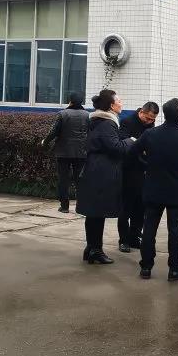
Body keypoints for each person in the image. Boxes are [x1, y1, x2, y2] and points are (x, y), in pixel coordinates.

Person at [134, 98, 178, 281]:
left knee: (149, 228)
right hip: (177, 189)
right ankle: (175, 270)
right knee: (175, 231)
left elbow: (132, 152)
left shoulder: (150, 134)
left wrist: (147, 165)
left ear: (164, 114)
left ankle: (146, 267)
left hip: (153, 187)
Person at [76, 89, 135, 264]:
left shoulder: (98, 120)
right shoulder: (107, 123)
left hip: (95, 169)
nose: (121, 103)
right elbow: (115, 147)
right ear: (111, 105)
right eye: (119, 100)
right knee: (97, 212)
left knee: (93, 213)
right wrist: (131, 141)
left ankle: (91, 248)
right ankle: (95, 250)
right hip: (101, 172)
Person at [117, 101, 159, 252]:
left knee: (140, 208)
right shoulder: (127, 122)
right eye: (147, 118)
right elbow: (124, 143)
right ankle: (123, 240)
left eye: (152, 120)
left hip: (144, 171)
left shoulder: (150, 125)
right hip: (129, 170)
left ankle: (135, 237)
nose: (149, 122)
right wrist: (140, 149)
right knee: (126, 207)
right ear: (141, 112)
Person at [42, 92, 90, 213]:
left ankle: (64, 206)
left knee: (63, 179)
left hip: (63, 152)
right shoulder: (87, 115)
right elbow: (90, 133)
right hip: (81, 152)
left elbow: (53, 132)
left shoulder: (62, 114)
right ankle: (81, 206)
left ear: (70, 101)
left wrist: (45, 142)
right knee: (80, 179)